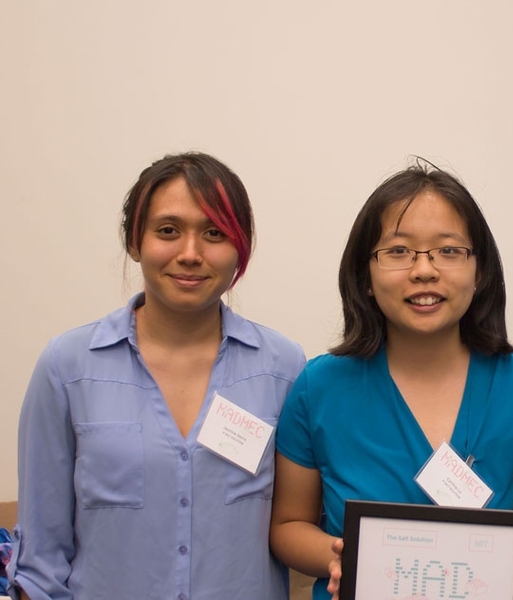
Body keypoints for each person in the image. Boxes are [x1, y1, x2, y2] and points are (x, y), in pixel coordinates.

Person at [9, 152, 307, 600]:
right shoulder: (67, 367)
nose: (190, 254)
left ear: (240, 247)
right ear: (135, 242)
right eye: (168, 231)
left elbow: (296, 524)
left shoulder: (284, 368)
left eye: (214, 233)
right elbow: (41, 559)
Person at [270, 162, 513, 600]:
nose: (424, 271)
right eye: (398, 251)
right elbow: (287, 526)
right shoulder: (319, 386)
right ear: (365, 276)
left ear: (479, 271)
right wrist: (342, 554)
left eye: (448, 251)